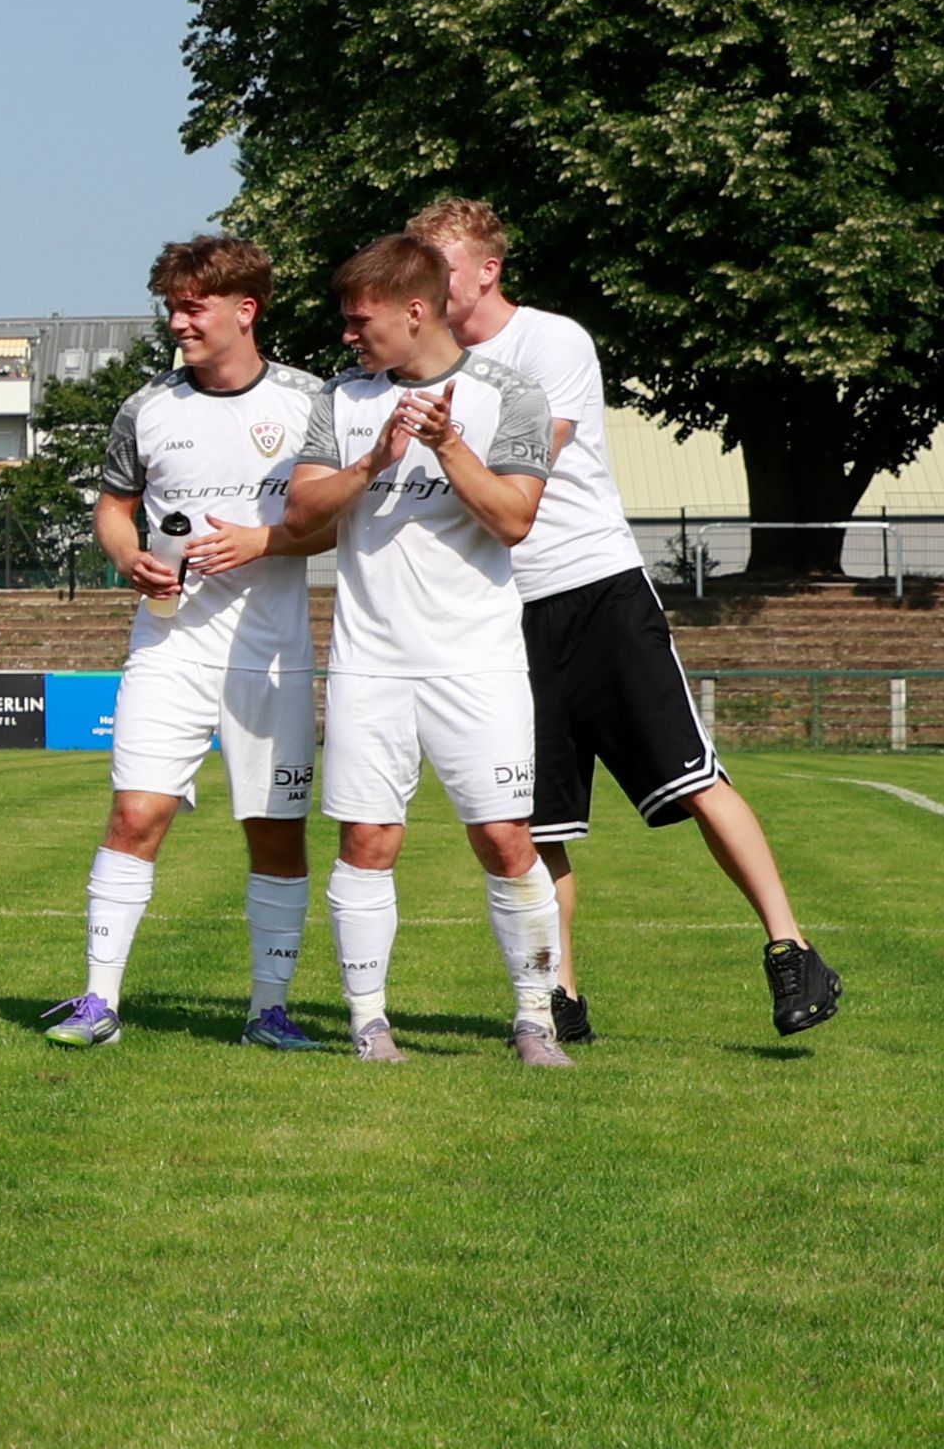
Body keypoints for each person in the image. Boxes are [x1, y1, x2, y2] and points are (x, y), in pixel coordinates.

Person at [412, 198, 839, 1038]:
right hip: (502, 614)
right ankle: (558, 995)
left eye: (442, 271)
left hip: (596, 587)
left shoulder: (552, 341)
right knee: (539, 822)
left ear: (488, 270)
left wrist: (443, 437)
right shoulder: (420, 366)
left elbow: (531, 457)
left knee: (694, 777)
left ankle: (791, 947)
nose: (424, 290)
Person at [275, 232, 564, 1068]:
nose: (348, 334)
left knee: (507, 840)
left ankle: (535, 1019)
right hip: (370, 661)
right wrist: (376, 458)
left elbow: (513, 518)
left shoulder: (511, 394)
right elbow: (300, 516)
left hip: (477, 662)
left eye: (360, 320)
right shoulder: (340, 400)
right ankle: (369, 1023)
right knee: (367, 841)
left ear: (414, 311)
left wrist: (446, 445)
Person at [47, 237, 330, 1050]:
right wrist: (125, 553)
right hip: (167, 643)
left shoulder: (313, 402)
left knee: (275, 828)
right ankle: (99, 1004)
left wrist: (264, 543)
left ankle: (269, 1013)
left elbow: (334, 520)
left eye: (192, 306)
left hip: (270, 650)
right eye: (171, 306)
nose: (177, 322)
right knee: (136, 813)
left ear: (246, 310)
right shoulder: (147, 407)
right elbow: (113, 506)